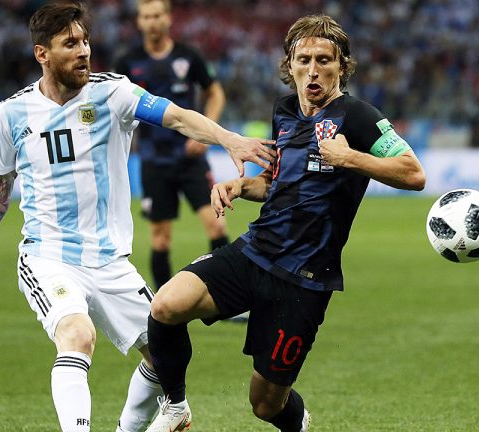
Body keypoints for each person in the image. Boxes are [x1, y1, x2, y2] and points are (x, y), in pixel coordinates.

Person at [0, 3, 273, 432]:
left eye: (85, 40)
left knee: (166, 359)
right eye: (70, 44)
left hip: (110, 260)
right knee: (77, 334)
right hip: (49, 256)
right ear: (42, 54)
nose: (83, 50)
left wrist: (227, 139)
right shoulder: (12, 114)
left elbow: (177, 116)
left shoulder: (113, 93)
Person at [143, 14, 426, 432]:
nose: (313, 70)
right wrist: (240, 186)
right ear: (289, 65)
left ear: (342, 67)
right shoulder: (284, 111)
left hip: (305, 279)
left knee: (265, 404)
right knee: (166, 305)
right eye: (304, 59)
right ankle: (175, 406)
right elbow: (277, 182)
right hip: (254, 252)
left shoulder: (361, 118)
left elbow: (413, 172)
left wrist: (350, 158)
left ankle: (298, 423)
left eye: (324, 60)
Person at [114, 0, 229, 291]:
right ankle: (165, 309)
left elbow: (216, 94)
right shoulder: (127, 62)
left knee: (216, 226)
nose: (152, 21)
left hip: (190, 158)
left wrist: (206, 133)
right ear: (139, 22)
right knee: (160, 238)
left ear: (168, 18)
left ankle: (224, 297)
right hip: (154, 161)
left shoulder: (189, 56)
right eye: (146, 16)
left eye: (157, 15)